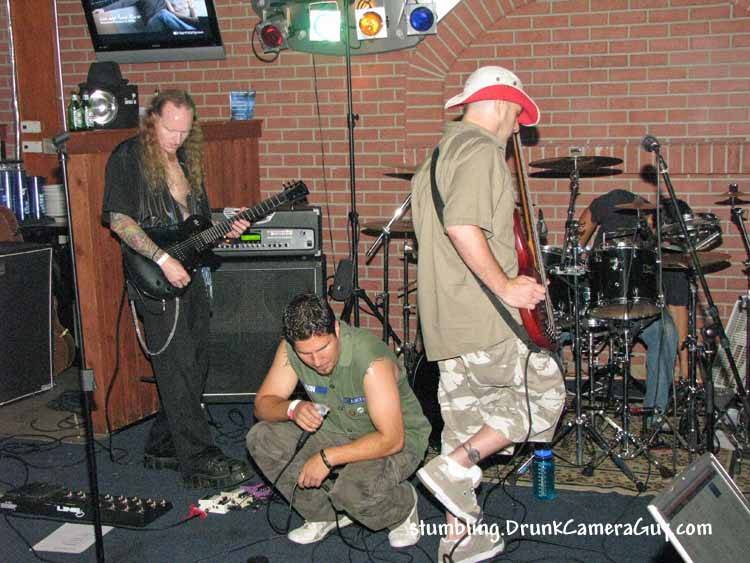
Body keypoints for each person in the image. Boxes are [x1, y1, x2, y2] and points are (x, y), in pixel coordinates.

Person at [410, 66, 566, 563]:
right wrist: (506, 285)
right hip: (486, 319)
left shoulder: (436, 158)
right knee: (544, 398)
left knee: (464, 424)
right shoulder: (480, 151)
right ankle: (454, 466)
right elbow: (461, 225)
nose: (518, 126)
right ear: (500, 102)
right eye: (518, 114)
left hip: (446, 323)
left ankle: (457, 540)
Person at [102, 89, 251, 487]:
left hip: (192, 271)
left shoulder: (185, 159)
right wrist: (162, 259)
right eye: (170, 129)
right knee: (177, 364)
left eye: (185, 131)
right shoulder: (128, 157)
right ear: (152, 120)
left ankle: (164, 444)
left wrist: (226, 230)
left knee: (196, 361)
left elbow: (194, 226)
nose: (177, 138)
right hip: (155, 273)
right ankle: (198, 458)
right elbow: (119, 220)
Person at [246, 293, 431, 548]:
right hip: (336, 429)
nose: (317, 361)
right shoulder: (290, 350)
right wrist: (293, 408)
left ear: (336, 329)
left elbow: (392, 439)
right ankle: (323, 515)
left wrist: (327, 458)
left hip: (395, 439)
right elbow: (263, 404)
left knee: (350, 491)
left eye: (323, 348)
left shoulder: (370, 360)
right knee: (261, 438)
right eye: (306, 353)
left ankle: (402, 507)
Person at [577, 188, 681, 422]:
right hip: (597, 298)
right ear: (654, 217)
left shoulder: (657, 247)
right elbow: (589, 215)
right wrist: (577, 252)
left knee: (666, 332)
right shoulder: (620, 199)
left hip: (638, 306)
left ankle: (654, 418)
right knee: (552, 325)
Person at [94, 0, 198, 32]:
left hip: (165, 25)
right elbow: (123, 2)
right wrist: (103, 9)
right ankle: (192, 31)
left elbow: (174, 13)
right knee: (163, 13)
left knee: (165, 14)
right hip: (152, 26)